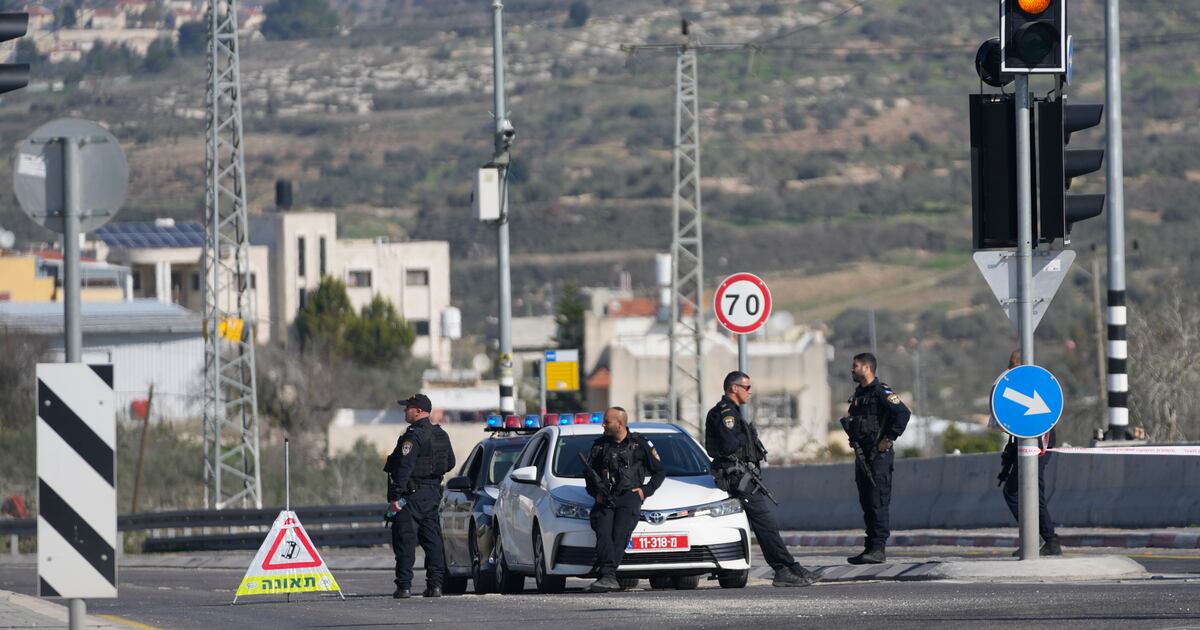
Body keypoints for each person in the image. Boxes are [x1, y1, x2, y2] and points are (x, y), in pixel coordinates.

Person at [706, 371, 821, 587]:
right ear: (734, 388)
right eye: (747, 387)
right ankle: (782, 569)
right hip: (735, 475)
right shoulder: (725, 414)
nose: (750, 392)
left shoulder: (734, 412)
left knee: (766, 525)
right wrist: (746, 435)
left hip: (742, 474)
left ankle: (791, 567)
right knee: (765, 525)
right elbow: (729, 446)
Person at [583, 407, 665, 593]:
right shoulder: (600, 445)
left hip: (629, 497)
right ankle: (608, 576)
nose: (603, 425)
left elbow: (659, 471)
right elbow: (589, 475)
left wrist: (645, 491)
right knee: (603, 532)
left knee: (620, 534)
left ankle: (607, 575)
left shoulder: (640, 444)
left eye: (607, 421)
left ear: (620, 424)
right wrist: (595, 493)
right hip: (606, 497)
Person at [841, 353, 910, 565]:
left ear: (867, 367)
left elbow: (903, 413)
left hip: (878, 456)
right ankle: (870, 547)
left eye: (855, 366)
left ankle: (879, 548)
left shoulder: (881, 392)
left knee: (878, 500)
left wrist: (888, 439)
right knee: (867, 502)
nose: (852, 370)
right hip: (863, 456)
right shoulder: (859, 395)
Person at [384, 393, 455, 598]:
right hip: (432, 494)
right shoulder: (440, 434)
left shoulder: (413, 435)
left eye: (408, 407)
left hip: (411, 496)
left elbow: (403, 468)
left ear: (418, 411)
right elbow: (450, 463)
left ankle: (404, 586)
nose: (405, 411)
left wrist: (396, 497)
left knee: (405, 540)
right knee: (432, 540)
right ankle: (435, 586)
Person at [996, 351, 1062, 556]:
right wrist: (1007, 464)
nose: (1010, 369)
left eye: (1013, 364)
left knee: (1029, 493)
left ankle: (1048, 540)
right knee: (1014, 492)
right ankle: (1035, 540)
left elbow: (1039, 420)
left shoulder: (1031, 385)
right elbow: (1014, 430)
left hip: (1040, 440)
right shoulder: (1015, 387)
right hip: (1024, 441)